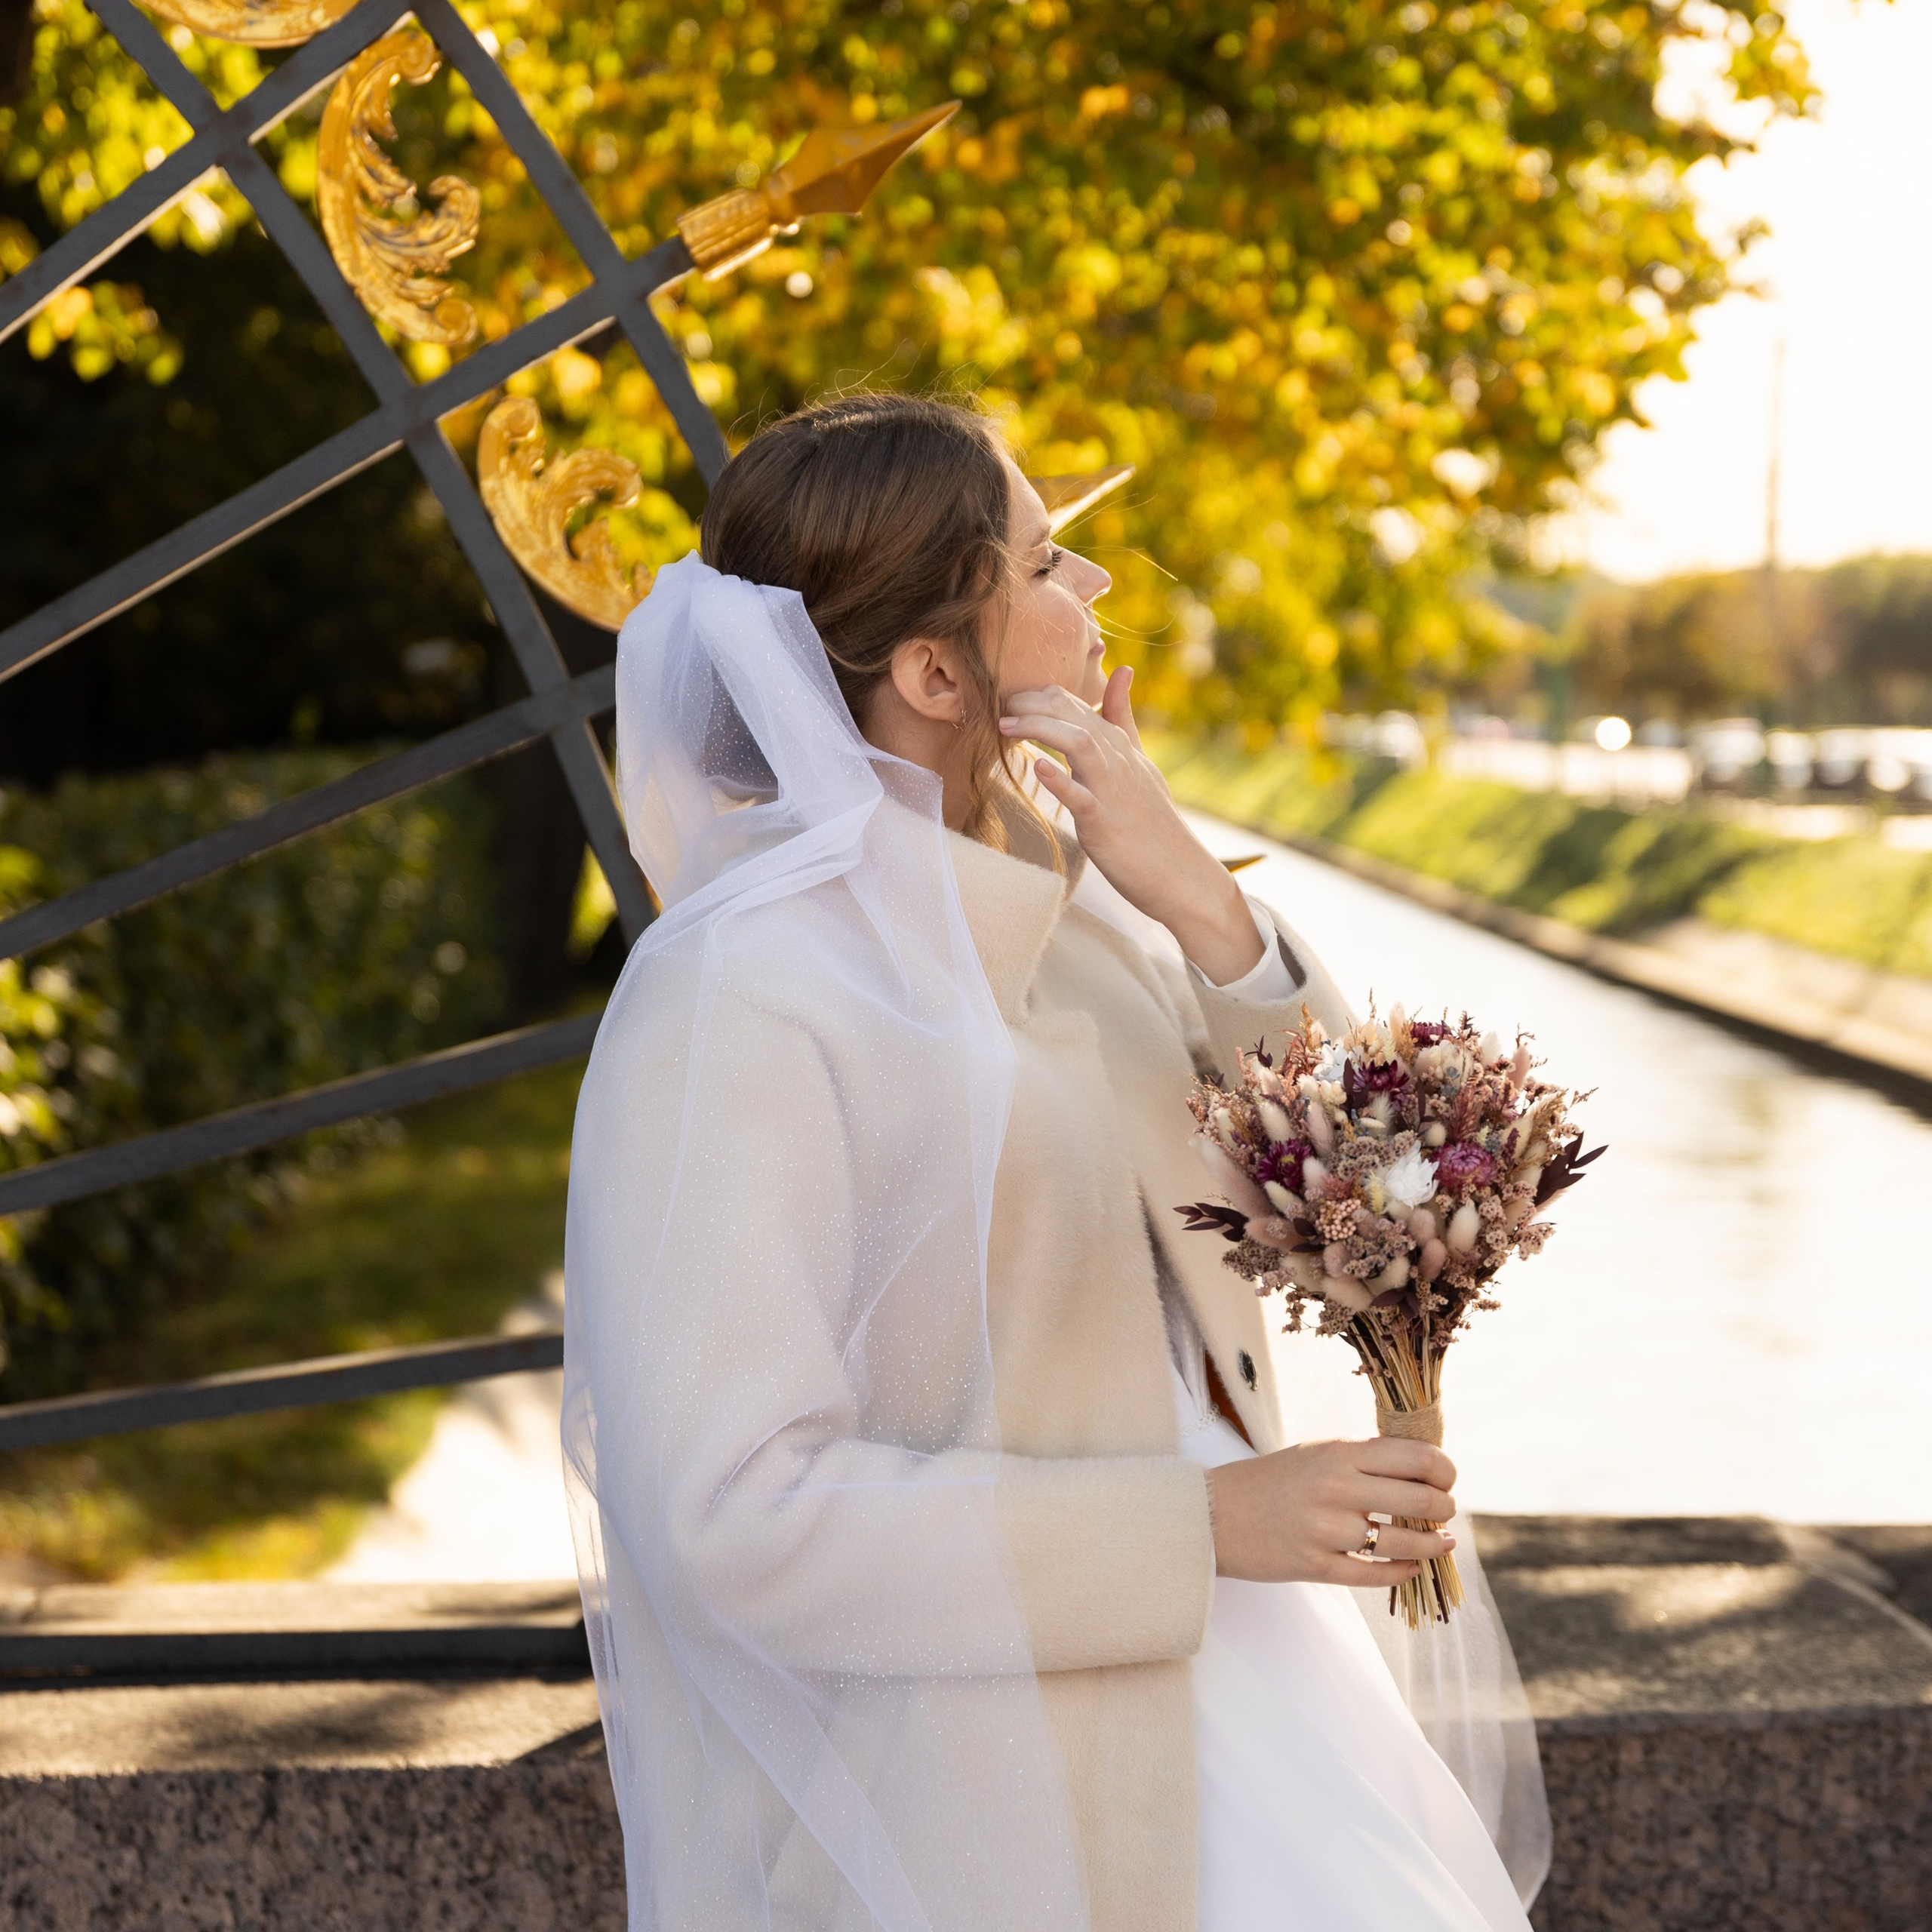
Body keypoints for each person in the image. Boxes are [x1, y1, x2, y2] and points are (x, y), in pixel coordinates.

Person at [562, 392, 1548, 1932]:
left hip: (1259, 1702)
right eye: (1042, 561)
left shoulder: (1075, 913)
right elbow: (728, 1519)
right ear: (936, 669)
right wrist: (1205, 1525)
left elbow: (1394, 1178)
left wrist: (1199, 907)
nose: (1092, 591)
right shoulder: (735, 1000)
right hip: (975, 1811)